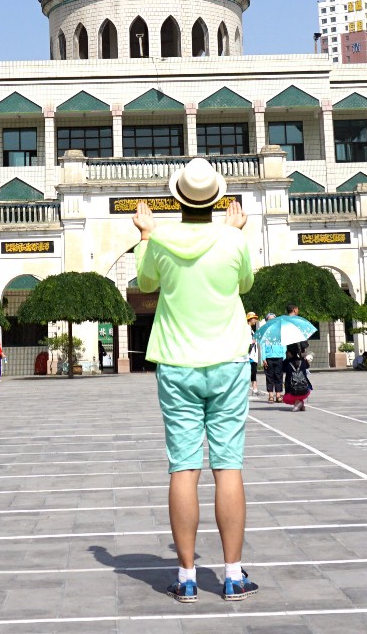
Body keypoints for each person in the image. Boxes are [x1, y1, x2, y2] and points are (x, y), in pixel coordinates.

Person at [132, 157, 259, 604]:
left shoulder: (161, 241)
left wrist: (145, 235)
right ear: (217, 200)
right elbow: (243, 282)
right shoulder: (232, 239)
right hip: (226, 359)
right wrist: (237, 232)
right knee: (228, 465)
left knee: (183, 467)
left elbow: (144, 281)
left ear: (178, 199)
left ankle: (186, 576)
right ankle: (232, 573)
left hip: (176, 362)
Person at [257, 305, 288, 401]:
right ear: (267, 321)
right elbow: (262, 346)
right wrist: (263, 358)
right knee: (269, 377)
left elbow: (284, 345)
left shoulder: (280, 332)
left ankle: (278, 395)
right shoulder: (265, 333)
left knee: (279, 376)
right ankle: (270, 395)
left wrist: (284, 356)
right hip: (269, 358)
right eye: (269, 320)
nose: (271, 321)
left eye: (273, 319)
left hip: (279, 357)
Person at [280, 341, 313, 410]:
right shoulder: (302, 360)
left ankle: (297, 403)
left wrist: (286, 359)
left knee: (290, 390)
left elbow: (282, 369)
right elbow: (307, 366)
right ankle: (301, 403)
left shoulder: (287, 362)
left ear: (289, 352)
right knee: (298, 390)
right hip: (304, 387)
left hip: (292, 388)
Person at [246, 315, 262, 396]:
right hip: (250, 355)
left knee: (253, 372)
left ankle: (255, 388)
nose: (255, 320)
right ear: (250, 319)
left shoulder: (250, 329)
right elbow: (248, 341)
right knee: (251, 372)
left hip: (252, 355)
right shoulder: (247, 329)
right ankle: (254, 389)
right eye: (254, 318)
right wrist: (254, 340)